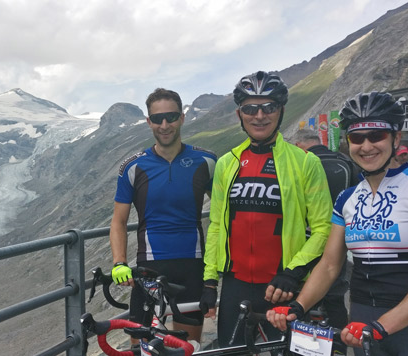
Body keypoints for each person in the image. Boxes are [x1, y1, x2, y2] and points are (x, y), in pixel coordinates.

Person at [266, 92, 408, 356]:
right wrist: (298, 307)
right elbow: (329, 265)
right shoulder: (347, 198)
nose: (366, 146)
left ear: (396, 138)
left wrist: (381, 327)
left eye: (376, 136)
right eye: (356, 137)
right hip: (361, 322)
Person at [199, 71, 332, 347]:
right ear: (240, 115)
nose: (259, 116)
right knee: (231, 352)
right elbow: (215, 226)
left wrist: (292, 273)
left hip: (283, 287)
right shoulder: (227, 163)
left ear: (280, 111)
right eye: (250, 108)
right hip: (235, 286)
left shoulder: (305, 163)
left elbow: (324, 229)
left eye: (268, 107)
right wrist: (210, 280)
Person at [109, 88, 217, 344]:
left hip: (193, 266)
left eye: (171, 117)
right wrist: (119, 262)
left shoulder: (207, 161)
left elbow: (224, 216)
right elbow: (118, 221)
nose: (165, 125)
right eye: (157, 119)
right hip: (149, 268)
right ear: (149, 122)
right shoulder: (132, 167)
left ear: (182, 117)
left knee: (188, 348)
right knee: (140, 348)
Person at [292, 128, 359, 355]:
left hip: (306, 242)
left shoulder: (301, 162)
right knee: (335, 298)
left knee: (302, 298)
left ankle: (304, 348)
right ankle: (338, 348)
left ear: (300, 145)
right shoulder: (345, 161)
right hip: (339, 240)